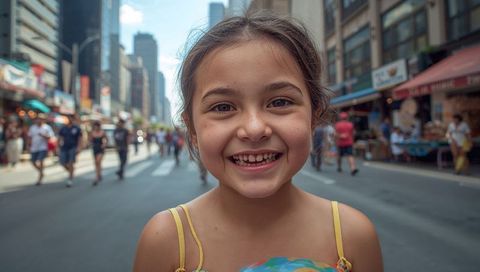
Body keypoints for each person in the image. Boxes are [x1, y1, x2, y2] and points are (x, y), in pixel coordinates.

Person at [133, 12, 382, 272]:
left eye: (280, 102)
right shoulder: (165, 241)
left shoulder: (352, 236)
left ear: (314, 115)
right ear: (192, 128)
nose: (254, 129)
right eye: (223, 107)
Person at [28, 114, 54, 186]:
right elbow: (29, 137)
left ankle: (40, 178)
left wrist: (43, 135)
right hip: (34, 147)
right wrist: (28, 146)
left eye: (41, 119)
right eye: (38, 119)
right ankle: (41, 172)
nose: (39, 120)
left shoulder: (47, 127)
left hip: (43, 147)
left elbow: (50, 137)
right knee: (33, 162)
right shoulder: (32, 127)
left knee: (41, 161)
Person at [58, 115, 83, 187]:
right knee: (62, 162)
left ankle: (70, 179)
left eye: (71, 118)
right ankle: (71, 172)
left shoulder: (76, 128)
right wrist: (58, 147)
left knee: (70, 162)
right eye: (69, 118)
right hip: (64, 147)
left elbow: (80, 138)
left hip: (73, 147)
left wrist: (79, 147)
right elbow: (59, 138)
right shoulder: (63, 128)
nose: (70, 119)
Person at [90, 121, 107, 185]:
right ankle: (99, 174)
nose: (96, 127)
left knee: (98, 161)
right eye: (95, 126)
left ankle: (96, 177)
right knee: (96, 163)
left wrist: (104, 144)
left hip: (100, 148)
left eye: (97, 126)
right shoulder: (92, 133)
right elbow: (90, 140)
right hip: (95, 149)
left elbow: (106, 139)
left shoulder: (102, 132)